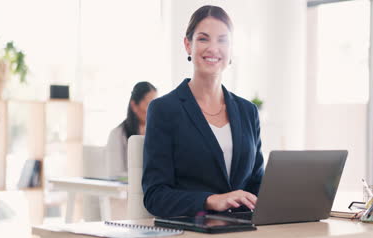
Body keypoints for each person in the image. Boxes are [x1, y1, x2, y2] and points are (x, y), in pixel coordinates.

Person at [142, 5, 264, 217]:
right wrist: (210, 201)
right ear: (188, 45)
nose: (213, 48)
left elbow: (257, 184)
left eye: (222, 40)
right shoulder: (164, 109)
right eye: (203, 39)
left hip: (243, 232)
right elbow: (155, 195)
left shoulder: (248, 111)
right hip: (192, 234)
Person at [106, 81, 157, 179]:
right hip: (128, 191)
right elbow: (115, 175)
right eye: (149, 105)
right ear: (134, 105)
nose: (154, 111)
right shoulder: (117, 134)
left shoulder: (158, 132)